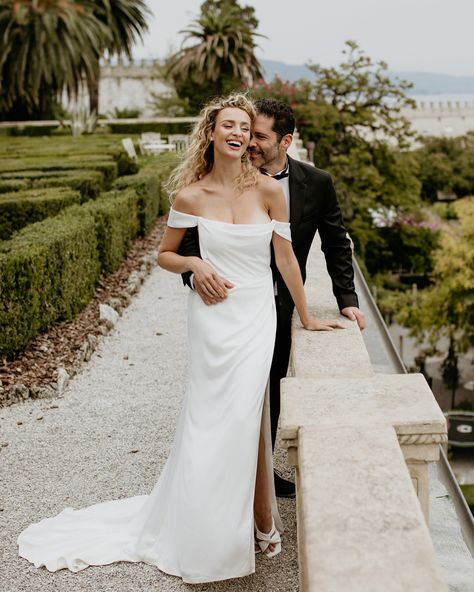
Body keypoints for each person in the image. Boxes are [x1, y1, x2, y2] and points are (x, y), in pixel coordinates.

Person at [17, 94, 343, 584]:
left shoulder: (270, 192)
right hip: (212, 321)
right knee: (211, 419)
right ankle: (217, 525)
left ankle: (258, 521)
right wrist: (194, 263)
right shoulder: (190, 196)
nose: (238, 133)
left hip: (257, 316)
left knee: (249, 415)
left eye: (246, 127)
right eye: (229, 125)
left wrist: (307, 318)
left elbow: (287, 260)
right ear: (211, 134)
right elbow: (166, 256)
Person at [179, 98, 365, 498]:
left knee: (272, 387)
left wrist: (346, 297)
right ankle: (220, 478)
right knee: (225, 392)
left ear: (286, 141)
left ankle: (258, 476)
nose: (249, 143)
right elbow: (189, 243)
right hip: (222, 305)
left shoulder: (316, 183)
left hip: (276, 304)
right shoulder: (215, 181)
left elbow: (335, 243)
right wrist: (196, 277)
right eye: (245, 132)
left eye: (258, 135)